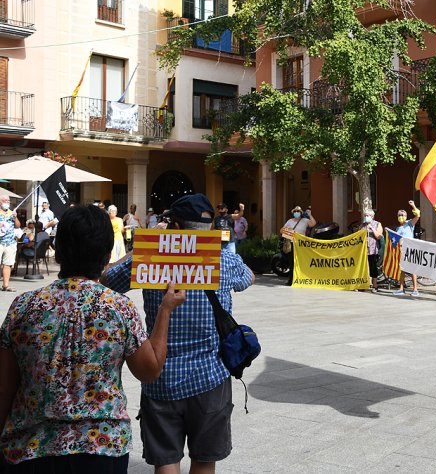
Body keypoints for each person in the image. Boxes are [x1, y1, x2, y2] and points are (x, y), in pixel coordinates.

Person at [0, 205, 185, 472]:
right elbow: (149, 369)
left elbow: (5, 388)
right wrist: (165, 310)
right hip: (102, 448)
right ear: (108, 254)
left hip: (31, 449)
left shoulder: (23, 306)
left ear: (59, 250)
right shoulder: (118, 307)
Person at [101, 193, 254, 474]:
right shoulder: (223, 261)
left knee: (166, 461)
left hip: (161, 377)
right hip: (210, 377)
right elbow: (249, 278)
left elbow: (106, 280)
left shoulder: (148, 260)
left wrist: (142, 248)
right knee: (205, 460)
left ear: (175, 225)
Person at [393, 200, 420, 296]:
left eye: (402, 215)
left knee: (412, 270)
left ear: (406, 216)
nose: (401, 217)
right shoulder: (398, 228)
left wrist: (413, 206)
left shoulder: (409, 224)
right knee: (402, 270)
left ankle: (415, 289)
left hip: (410, 249)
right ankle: (401, 288)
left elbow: (417, 215)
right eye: (399, 215)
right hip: (402, 250)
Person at [0, 194, 20, 292]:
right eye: (5, 201)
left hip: (10, 242)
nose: (7, 202)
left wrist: (15, 218)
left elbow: (17, 226)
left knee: (7, 264)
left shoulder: (12, 213)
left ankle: (5, 285)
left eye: (8, 201)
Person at [360, 207, 383, 291]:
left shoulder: (377, 224)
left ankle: (375, 285)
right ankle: (365, 284)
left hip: (373, 250)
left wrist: (372, 228)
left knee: (373, 267)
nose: (366, 217)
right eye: (365, 215)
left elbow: (378, 236)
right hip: (364, 250)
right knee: (365, 267)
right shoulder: (362, 225)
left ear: (372, 216)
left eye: (368, 215)